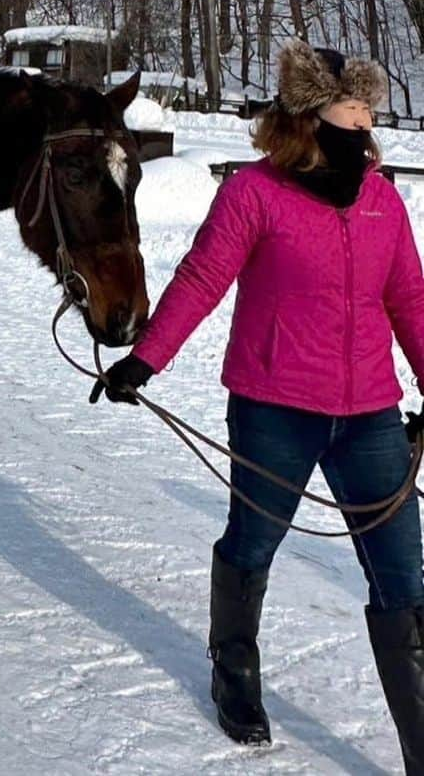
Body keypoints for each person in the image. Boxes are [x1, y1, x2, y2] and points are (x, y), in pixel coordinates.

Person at [92, 39, 424, 771]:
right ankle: (234, 673)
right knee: (252, 545)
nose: (367, 118)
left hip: (371, 416)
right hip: (274, 408)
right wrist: (145, 359)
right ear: (310, 115)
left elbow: (411, 302)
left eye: (369, 106)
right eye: (354, 104)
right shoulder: (255, 193)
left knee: (406, 586)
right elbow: (204, 277)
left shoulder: (380, 198)